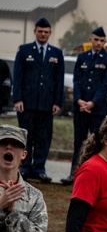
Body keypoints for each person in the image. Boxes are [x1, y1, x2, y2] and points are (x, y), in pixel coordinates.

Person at [12, 17, 64, 183]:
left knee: (43, 138)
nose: (43, 34)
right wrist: (18, 99)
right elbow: (18, 76)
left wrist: (57, 102)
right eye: (40, 31)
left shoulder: (57, 53)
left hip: (47, 105)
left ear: (50, 33)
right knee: (25, 137)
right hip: (26, 104)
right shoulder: (24, 50)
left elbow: (59, 80)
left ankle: (39, 169)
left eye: (46, 32)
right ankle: (25, 167)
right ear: (35, 31)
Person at [64, 26, 107, 184]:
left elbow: (105, 85)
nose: (99, 43)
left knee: (97, 143)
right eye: (96, 40)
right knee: (78, 142)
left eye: (102, 41)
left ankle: (93, 176)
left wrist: (93, 103)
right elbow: (77, 80)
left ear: (105, 42)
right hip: (81, 108)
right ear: (90, 40)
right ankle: (74, 174)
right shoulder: (82, 57)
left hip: (97, 109)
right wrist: (79, 100)